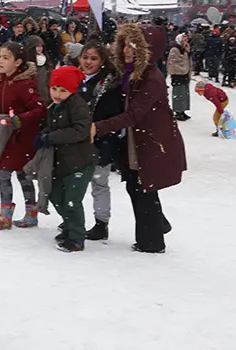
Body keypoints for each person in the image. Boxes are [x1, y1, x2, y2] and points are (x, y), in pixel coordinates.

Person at [90, 23, 186, 254]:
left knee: (143, 188)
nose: (126, 50)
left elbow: (133, 114)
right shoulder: (131, 72)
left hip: (151, 141)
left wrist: (99, 127)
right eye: (124, 45)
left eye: (132, 46)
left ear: (147, 49)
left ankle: (151, 242)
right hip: (137, 140)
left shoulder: (150, 78)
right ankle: (157, 225)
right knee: (138, 186)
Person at [0, 42, 46, 230]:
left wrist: (20, 120)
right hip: (7, 138)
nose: (0, 61)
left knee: (20, 174)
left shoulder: (26, 84)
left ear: (18, 62)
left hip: (23, 139)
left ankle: (26, 213)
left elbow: (39, 110)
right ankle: (12, 213)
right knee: (9, 173)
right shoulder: (2, 82)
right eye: (0, 56)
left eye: (6, 57)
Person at [33, 65, 96, 252]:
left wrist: (51, 137)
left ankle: (77, 238)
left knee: (72, 200)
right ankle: (69, 227)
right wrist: (43, 134)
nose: (57, 94)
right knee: (56, 195)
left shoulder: (77, 106)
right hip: (62, 162)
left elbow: (80, 130)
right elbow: (51, 126)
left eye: (63, 90)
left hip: (80, 163)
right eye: (54, 89)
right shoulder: (54, 106)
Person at [75, 40, 122, 242]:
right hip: (75, 141)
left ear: (102, 61)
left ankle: (101, 222)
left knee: (98, 183)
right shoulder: (74, 79)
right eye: (85, 57)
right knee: (73, 181)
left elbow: (113, 115)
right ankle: (72, 216)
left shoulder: (109, 85)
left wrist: (103, 135)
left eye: (93, 58)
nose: (88, 62)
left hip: (99, 141)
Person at [167, 33, 191, 121]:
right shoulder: (175, 49)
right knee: (178, 93)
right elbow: (173, 62)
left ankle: (182, 110)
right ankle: (178, 111)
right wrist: (181, 68)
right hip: (177, 74)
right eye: (183, 39)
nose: (185, 41)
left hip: (184, 73)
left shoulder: (184, 48)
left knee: (184, 93)